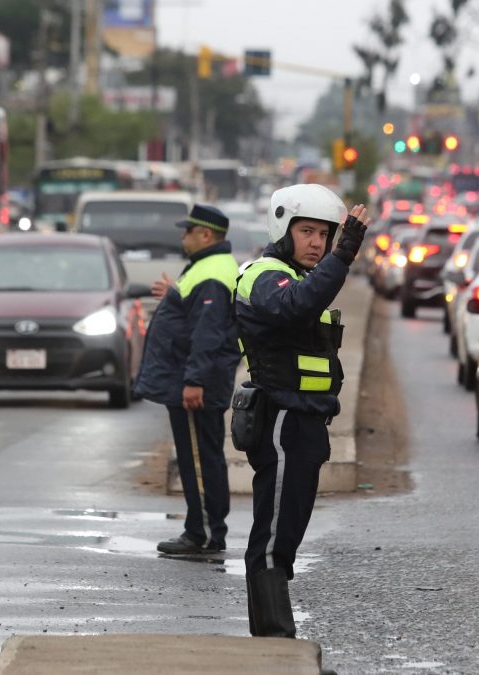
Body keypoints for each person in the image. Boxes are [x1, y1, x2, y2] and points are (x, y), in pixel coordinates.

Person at [234, 184, 369, 637]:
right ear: (282, 228)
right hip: (280, 419)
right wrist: (345, 253)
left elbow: (307, 298)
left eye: (325, 235)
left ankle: (272, 635)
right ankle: (274, 638)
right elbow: (296, 306)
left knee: (287, 528)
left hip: (303, 422)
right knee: (275, 532)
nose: (317, 242)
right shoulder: (263, 274)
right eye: (306, 231)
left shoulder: (295, 277)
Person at [134, 204, 241, 555]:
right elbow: (198, 314)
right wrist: (175, 294)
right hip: (191, 378)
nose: (183, 236)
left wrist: (194, 381)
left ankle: (204, 533)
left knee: (198, 457)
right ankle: (202, 528)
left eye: (188, 230)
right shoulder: (208, 268)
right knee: (199, 454)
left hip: (196, 383)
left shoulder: (211, 273)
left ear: (205, 235)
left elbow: (207, 332)